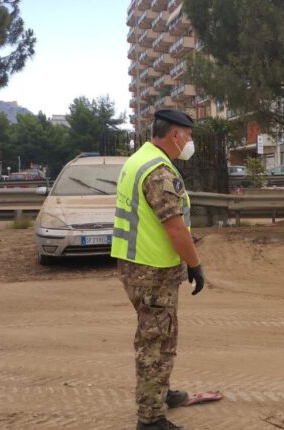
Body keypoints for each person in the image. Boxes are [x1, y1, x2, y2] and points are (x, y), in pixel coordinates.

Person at [111, 109, 204, 430]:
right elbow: (176, 228)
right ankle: (150, 419)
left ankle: (160, 392)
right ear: (175, 134)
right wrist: (196, 265)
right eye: (189, 135)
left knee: (160, 335)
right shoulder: (159, 172)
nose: (190, 141)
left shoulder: (138, 159)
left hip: (135, 264)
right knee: (155, 343)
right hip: (152, 270)